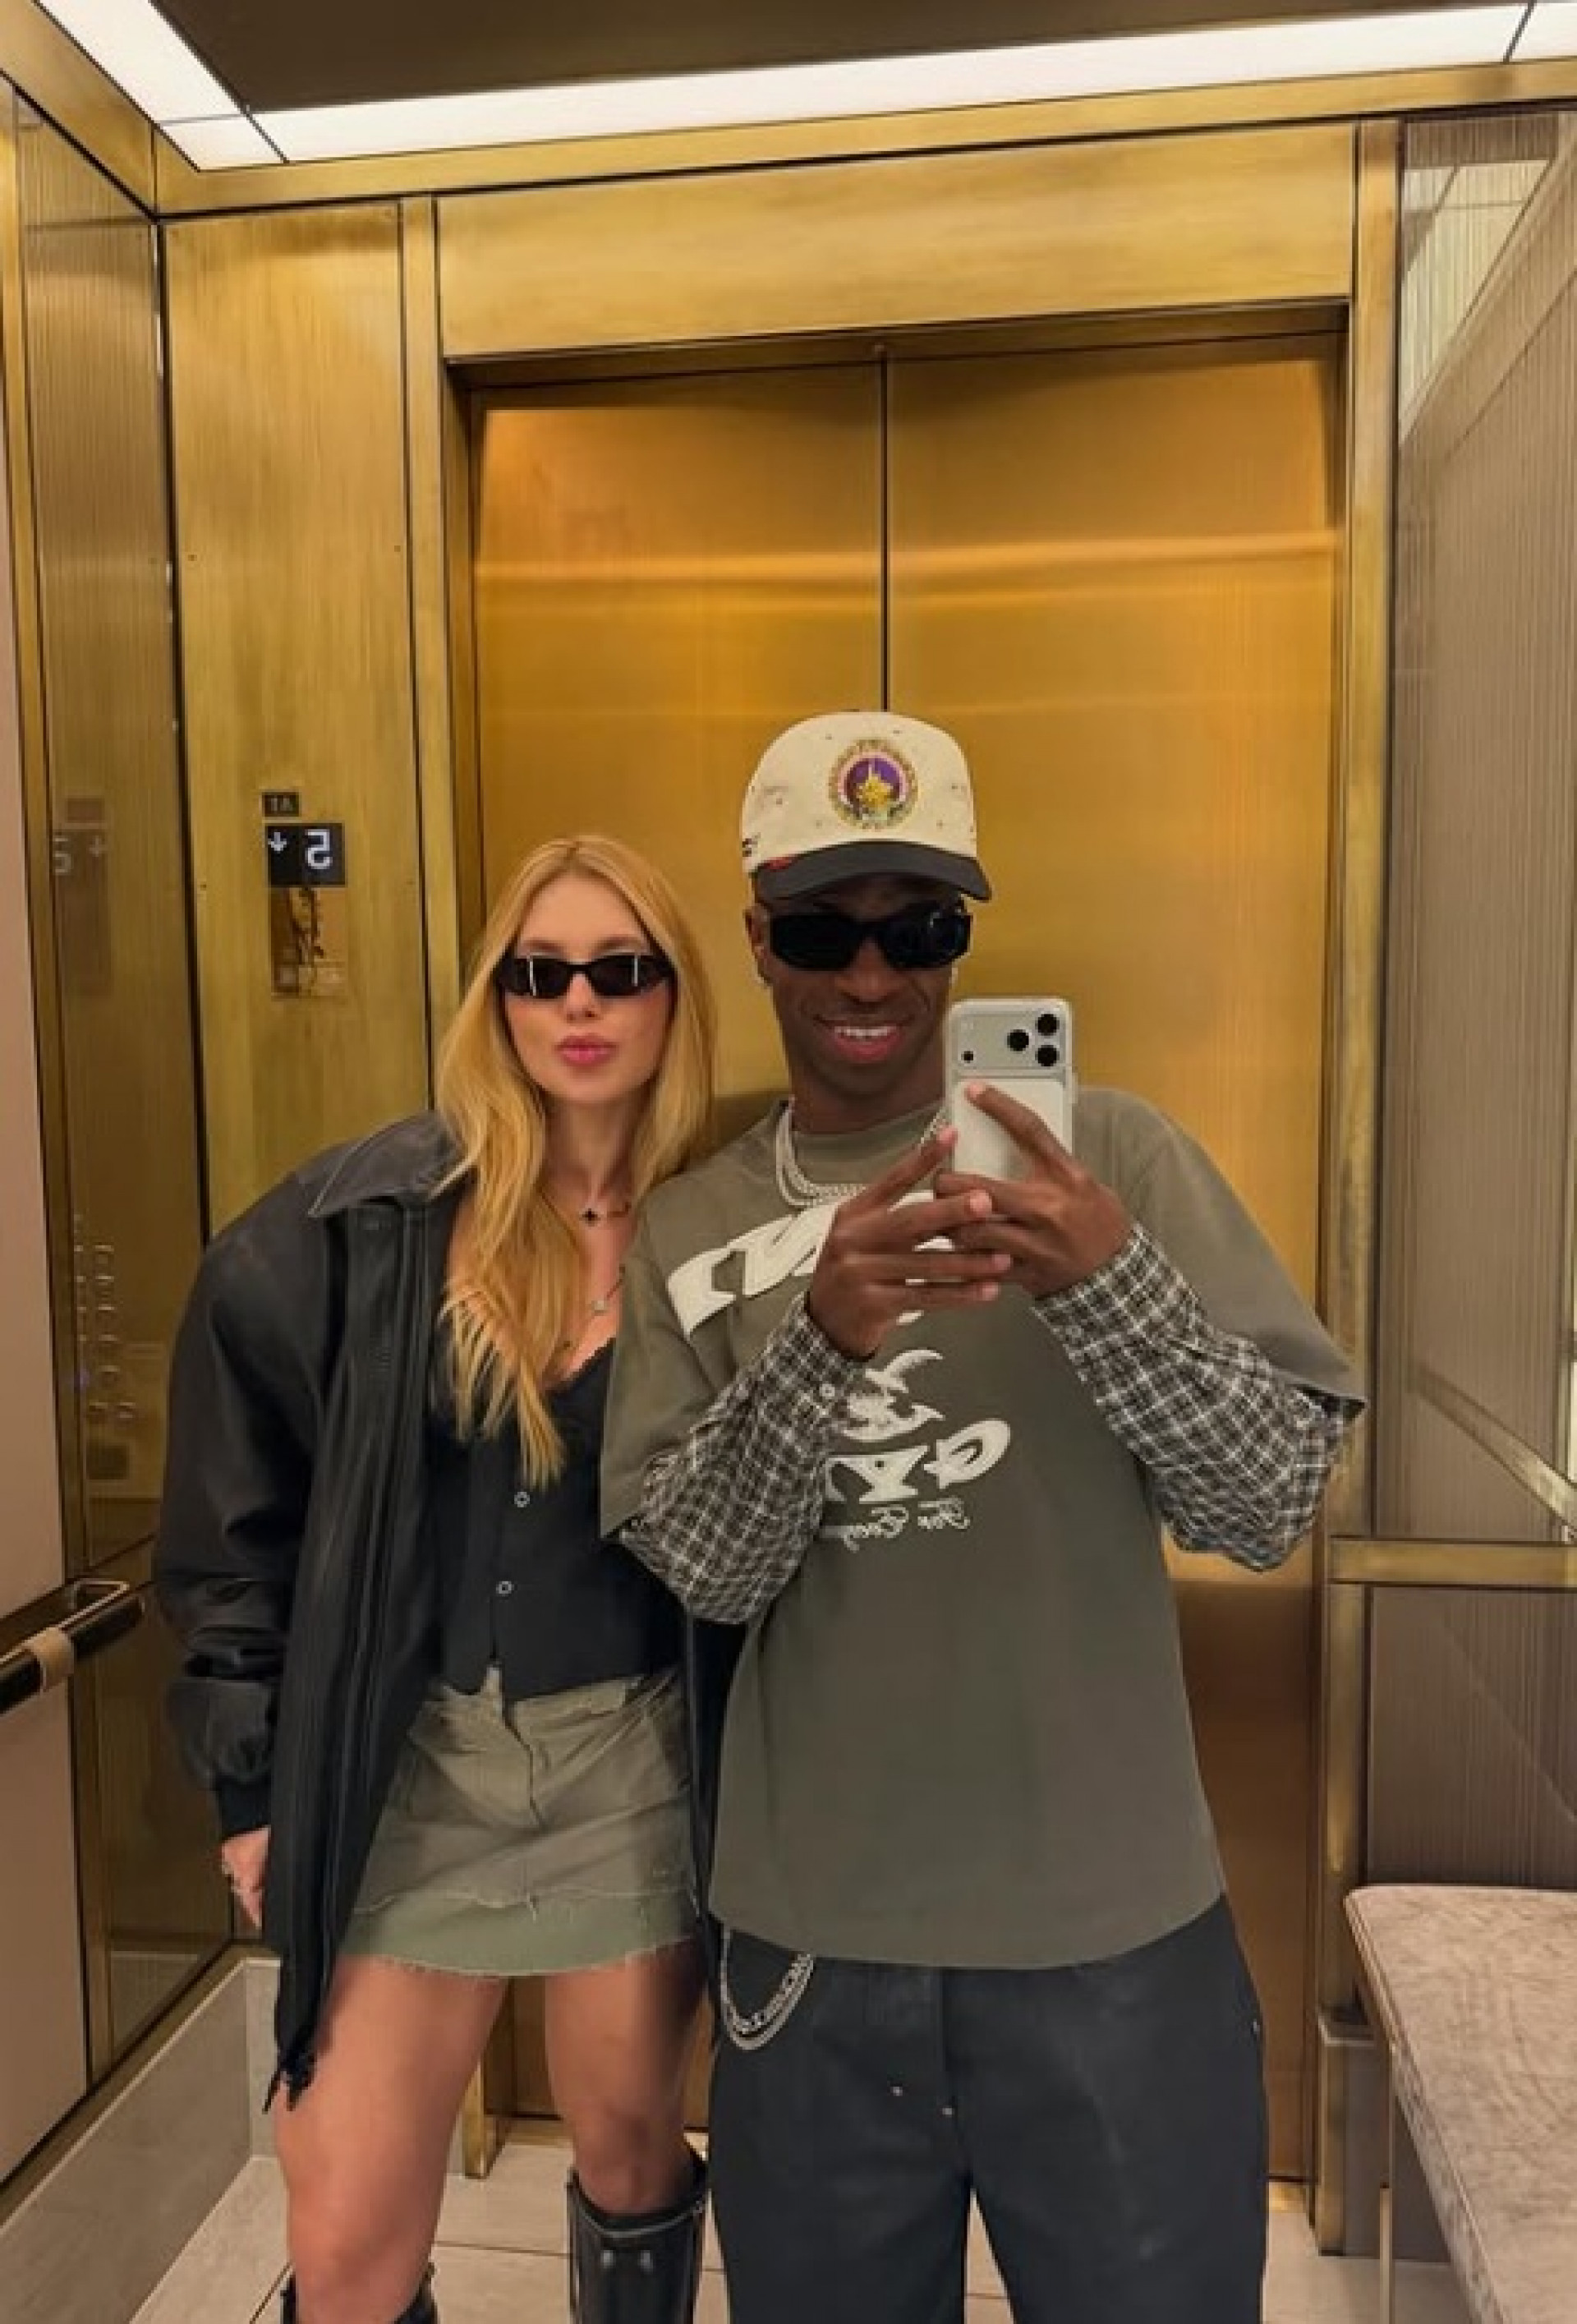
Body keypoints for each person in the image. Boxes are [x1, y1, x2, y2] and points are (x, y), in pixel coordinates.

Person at [601, 711, 1365, 2324]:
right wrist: (821, 1341)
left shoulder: (1114, 1159)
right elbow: (709, 1574)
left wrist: (1111, 1284)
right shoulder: (691, 1224)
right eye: (825, 929)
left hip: (1114, 1930)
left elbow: (1268, 1504)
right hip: (813, 1944)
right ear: (760, 938)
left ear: (965, 938)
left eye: (922, 927)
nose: (873, 975)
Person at [156, 835, 718, 2324]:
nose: (578, 1002)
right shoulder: (371, 1222)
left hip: (634, 1761)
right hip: (412, 1771)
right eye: (540, 972)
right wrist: (252, 1780)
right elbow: (235, 1519)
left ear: (674, 994)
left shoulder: (725, 1217)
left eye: (620, 969)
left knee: (630, 2151)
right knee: (346, 2231)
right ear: (497, 997)